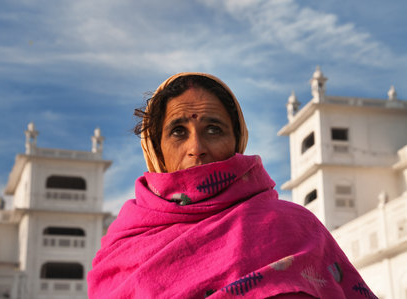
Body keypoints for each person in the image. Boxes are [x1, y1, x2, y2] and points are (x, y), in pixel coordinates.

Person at [87, 73, 376, 298]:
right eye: (178, 132)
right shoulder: (122, 248)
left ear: (237, 141)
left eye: (214, 129)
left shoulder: (293, 229)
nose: (196, 147)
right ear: (156, 149)